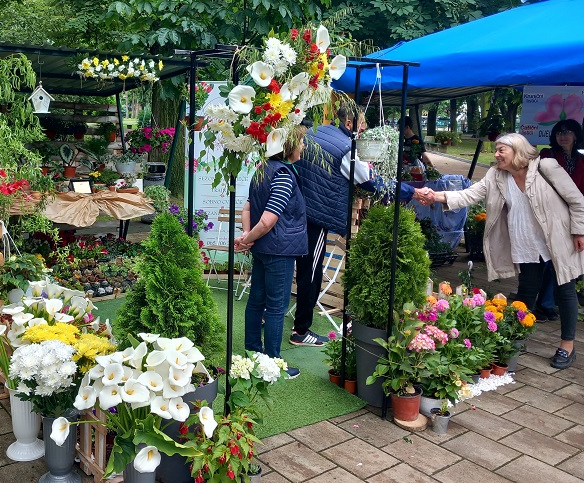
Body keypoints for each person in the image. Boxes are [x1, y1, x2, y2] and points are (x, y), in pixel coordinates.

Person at [415, 133, 584, 370]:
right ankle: (514, 341)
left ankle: (567, 346)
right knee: (526, 291)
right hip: (527, 242)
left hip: (557, 238)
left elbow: (577, 199)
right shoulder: (496, 175)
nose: (496, 155)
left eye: (501, 150)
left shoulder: (546, 166)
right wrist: (435, 195)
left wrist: (579, 231)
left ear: (518, 151)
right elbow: (469, 195)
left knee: (564, 289)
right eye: (495, 150)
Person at [291, 108, 416, 346]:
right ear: (350, 122)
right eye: (363, 124)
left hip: (295, 209)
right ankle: (300, 331)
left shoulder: (317, 132)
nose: (365, 129)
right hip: (315, 214)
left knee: (292, 264)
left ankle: (270, 314)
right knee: (311, 271)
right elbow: (368, 181)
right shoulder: (347, 147)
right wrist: (409, 191)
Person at [236, 125, 307, 378]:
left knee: (256, 301)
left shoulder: (261, 170)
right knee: (277, 306)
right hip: (280, 250)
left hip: (263, 249)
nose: (303, 147)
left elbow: (247, 208)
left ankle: (253, 353)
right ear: (289, 148)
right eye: (300, 143)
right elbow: (268, 221)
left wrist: (247, 237)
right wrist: (250, 237)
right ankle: (274, 363)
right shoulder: (284, 175)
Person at [535, 119, 584, 320]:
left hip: (574, 214)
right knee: (547, 260)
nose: (563, 136)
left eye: (568, 132)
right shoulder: (547, 155)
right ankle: (542, 304)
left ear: (575, 136)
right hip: (550, 214)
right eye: (559, 133)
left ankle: (551, 302)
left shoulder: (581, 160)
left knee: (565, 260)